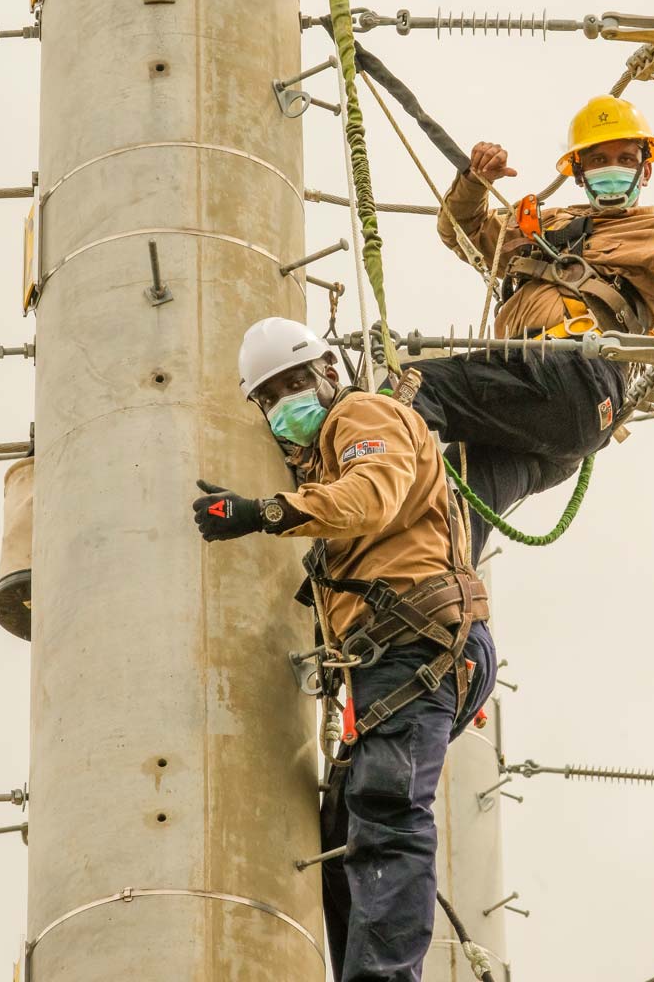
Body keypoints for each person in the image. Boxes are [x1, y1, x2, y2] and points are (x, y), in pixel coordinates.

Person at [191, 317, 498, 982]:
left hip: (417, 644)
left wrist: (264, 512)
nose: (285, 404)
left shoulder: (361, 414)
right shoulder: (325, 456)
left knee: (386, 817)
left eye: (295, 383)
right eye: (270, 396)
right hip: (400, 656)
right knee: (340, 837)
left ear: (330, 372)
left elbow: (370, 496)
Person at [404, 95, 654, 563]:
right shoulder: (544, 224)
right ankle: (431, 607)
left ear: (645, 171)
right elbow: (461, 232)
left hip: (574, 376)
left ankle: (345, 463)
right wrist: (476, 181)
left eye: (625, 159)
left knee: (412, 387)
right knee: (447, 502)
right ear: (577, 171)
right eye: (597, 160)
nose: (611, 169)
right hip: (542, 419)